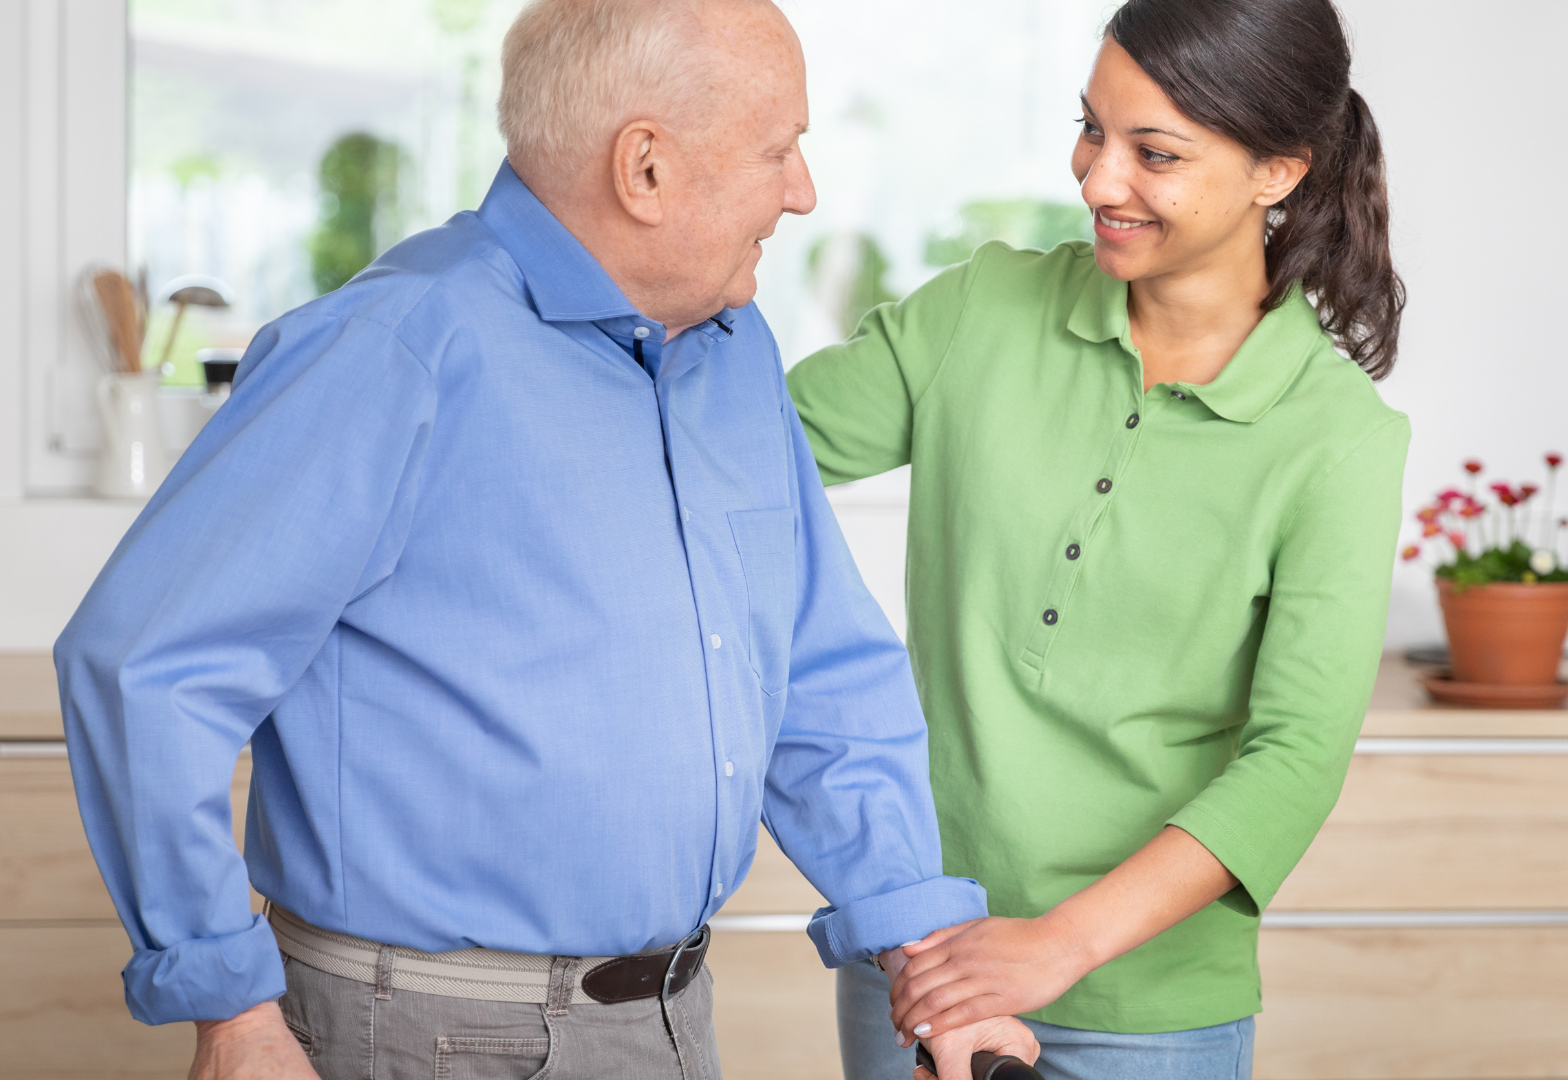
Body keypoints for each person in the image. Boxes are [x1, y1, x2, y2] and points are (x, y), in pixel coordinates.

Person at [54, 1, 1036, 1078]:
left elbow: (817, 675)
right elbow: (145, 664)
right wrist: (233, 1010)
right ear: (645, 169)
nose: (802, 191)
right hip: (436, 1036)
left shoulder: (732, 349)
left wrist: (926, 951)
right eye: (779, 149)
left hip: (668, 1019)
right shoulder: (400, 347)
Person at [785, 1, 1410, 1078]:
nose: (1097, 180)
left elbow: (1293, 759)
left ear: (1278, 171)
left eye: (1153, 153)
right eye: (1092, 129)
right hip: (926, 960)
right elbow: (743, 456)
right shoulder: (982, 311)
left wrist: (1056, 947)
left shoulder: (1336, 437)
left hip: (1150, 1012)